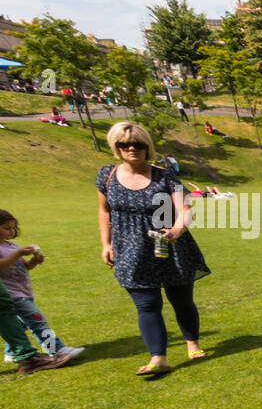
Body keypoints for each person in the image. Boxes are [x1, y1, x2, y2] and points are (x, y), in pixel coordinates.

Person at [97, 121, 209, 376]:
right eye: (124, 144)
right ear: (116, 147)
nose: (131, 148)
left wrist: (177, 230)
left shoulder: (164, 176)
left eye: (137, 144)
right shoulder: (107, 175)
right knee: (146, 304)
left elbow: (185, 209)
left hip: (169, 246)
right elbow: (104, 212)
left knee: (181, 300)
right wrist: (106, 243)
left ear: (147, 146)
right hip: (130, 249)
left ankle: (192, 342)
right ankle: (159, 357)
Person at [0, 210, 84, 364]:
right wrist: (19, 253)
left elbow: (25, 267)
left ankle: (11, 352)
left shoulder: (11, 245)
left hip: (24, 292)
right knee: (38, 321)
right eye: (6, 228)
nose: (11, 231)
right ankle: (56, 349)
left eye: (13, 227)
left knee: (19, 323)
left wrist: (35, 261)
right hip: (12, 294)